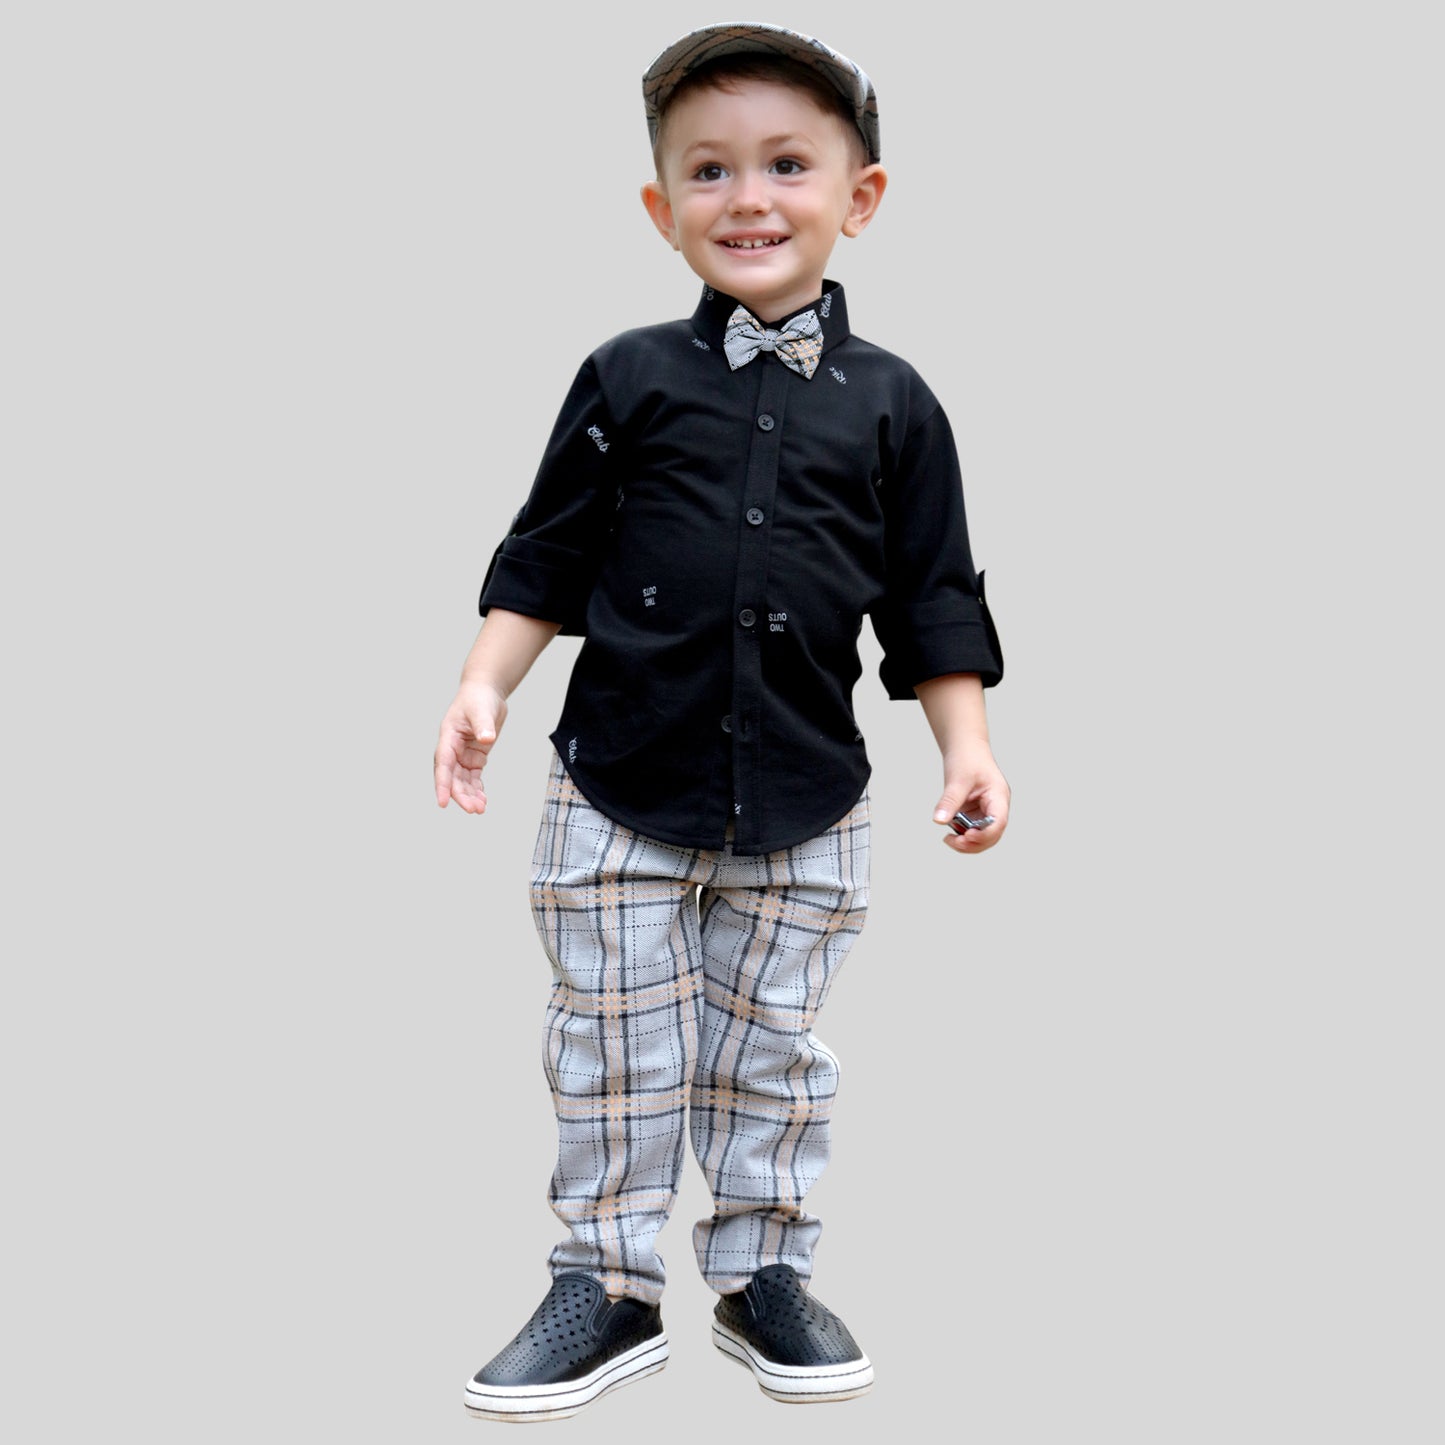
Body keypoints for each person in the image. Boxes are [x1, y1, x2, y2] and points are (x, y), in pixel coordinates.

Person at [433, 21, 1008, 1422]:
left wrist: (968, 746)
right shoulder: (626, 376)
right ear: (661, 208)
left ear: (860, 196)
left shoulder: (897, 404)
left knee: (774, 1055)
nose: (748, 197)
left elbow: (932, 593)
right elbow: (547, 553)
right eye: (708, 170)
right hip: (615, 786)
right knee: (614, 1050)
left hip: (809, 796)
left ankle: (765, 1278)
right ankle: (607, 1288)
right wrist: (484, 681)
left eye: (787, 164)